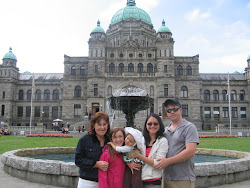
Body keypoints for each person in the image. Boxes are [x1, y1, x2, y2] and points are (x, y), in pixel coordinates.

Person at [155, 99, 199, 188]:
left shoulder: (189, 127)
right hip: (167, 177)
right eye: (169, 110)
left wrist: (167, 161)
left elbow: (190, 151)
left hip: (183, 179)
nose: (172, 112)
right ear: (166, 113)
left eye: (175, 109)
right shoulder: (166, 131)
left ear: (180, 110)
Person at [127, 113, 168, 188]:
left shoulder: (162, 141)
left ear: (160, 125)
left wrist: (139, 156)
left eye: (155, 124)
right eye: (149, 124)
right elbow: (129, 152)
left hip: (153, 181)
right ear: (146, 125)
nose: (152, 126)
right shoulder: (141, 140)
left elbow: (158, 164)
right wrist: (129, 163)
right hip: (139, 180)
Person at [75, 112, 110, 188]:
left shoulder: (110, 140)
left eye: (104, 124)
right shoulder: (84, 140)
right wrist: (95, 164)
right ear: (94, 125)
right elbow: (78, 160)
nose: (102, 127)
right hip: (87, 182)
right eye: (99, 125)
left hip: (106, 181)